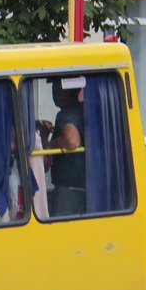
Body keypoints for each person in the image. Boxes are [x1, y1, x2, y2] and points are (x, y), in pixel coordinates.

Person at [48, 79, 86, 216]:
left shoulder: (65, 114)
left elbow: (72, 141)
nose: (53, 92)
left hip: (68, 192)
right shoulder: (87, 110)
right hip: (89, 190)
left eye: (56, 87)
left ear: (69, 89)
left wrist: (48, 146)